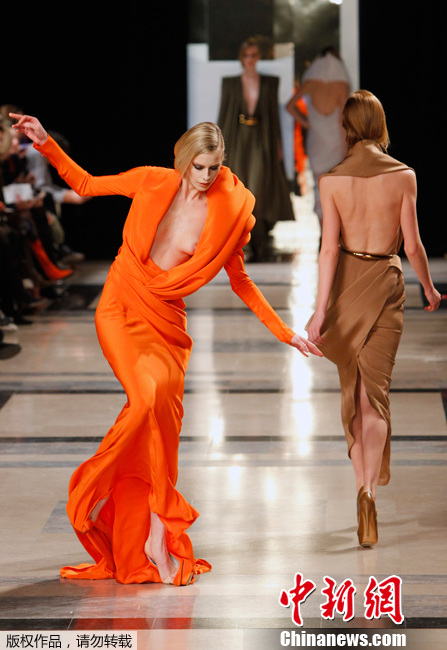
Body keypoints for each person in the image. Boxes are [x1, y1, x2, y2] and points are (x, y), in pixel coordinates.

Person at [11, 112, 322, 586]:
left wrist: (285, 331)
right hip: (120, 305)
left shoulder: (228, 213)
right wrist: (45, 142)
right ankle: (96, 490)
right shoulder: (151, 180)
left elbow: (241, 281)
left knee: (163, 421)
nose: (207, 176)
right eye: (199, 167)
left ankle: (156, 535)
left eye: (214, 168)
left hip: (167, 323)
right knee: (143, 401)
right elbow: (87, 184)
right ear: (183, 161)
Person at [305, 90, 445, 548]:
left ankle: (360, 490)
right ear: (380, 124)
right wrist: (429, 288)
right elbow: (414, 246)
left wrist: (319, 311)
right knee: (375, 398)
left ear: (346, 127)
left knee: (353, 391)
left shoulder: (331, 181)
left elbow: (328, 251)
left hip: (347, 288)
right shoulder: (403, 176)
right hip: (385, 285)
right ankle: (370, 494)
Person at [218, 36, 295, 261]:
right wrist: (218, 148)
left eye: (253, 56)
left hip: (261, 138)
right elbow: (224, 114)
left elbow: (274, 116)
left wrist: (278, 145)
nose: (250, 60)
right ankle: (246, 243)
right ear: (241, 58)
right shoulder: (231, 83)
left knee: (259, 187)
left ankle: (258, 239)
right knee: (240, 188)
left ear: (259, 57)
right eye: (246, 56)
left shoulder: (269, 83)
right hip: (239, 139)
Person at [286, 46, 350, 226]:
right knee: (338, 188)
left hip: (317, 141)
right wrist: (347, 148)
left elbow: (290, 106)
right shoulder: (341, 85)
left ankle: (324, 232)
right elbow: (342, 120)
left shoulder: (311, 83)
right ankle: (336, 233)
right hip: (336, 142)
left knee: (319, 187)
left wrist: (309, 123)